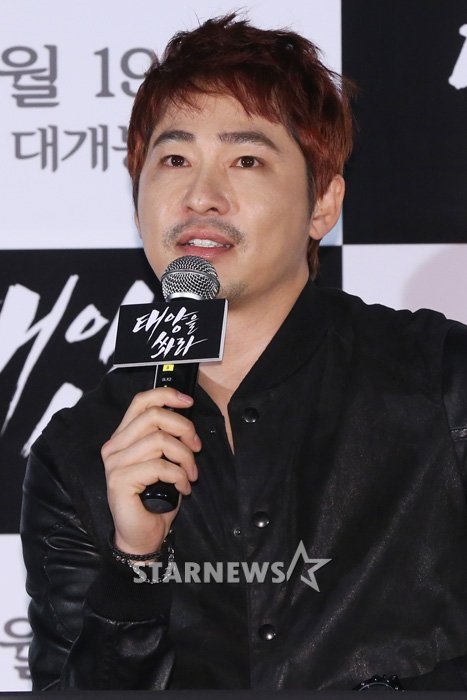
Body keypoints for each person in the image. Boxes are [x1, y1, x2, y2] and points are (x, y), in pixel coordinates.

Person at [21, 12, 467, 691]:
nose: (200, 196)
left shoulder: (440, 382)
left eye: (246, 160)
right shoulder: (79, 450)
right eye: (174, 160)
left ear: (322, 205)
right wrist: (136, 563)